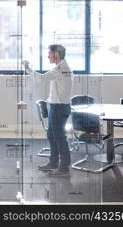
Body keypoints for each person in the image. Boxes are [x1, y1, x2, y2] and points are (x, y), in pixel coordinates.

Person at [22, 44, 73, 177]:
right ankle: (54, 162)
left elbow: (42, 79)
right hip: (57, 107)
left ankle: (64, 168)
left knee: (59, 137)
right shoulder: (61, 68)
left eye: (49, 53)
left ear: (56, 54)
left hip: (58, 107)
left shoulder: (60, 69)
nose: (48, 56)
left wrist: (27, 68)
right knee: (52, 136)